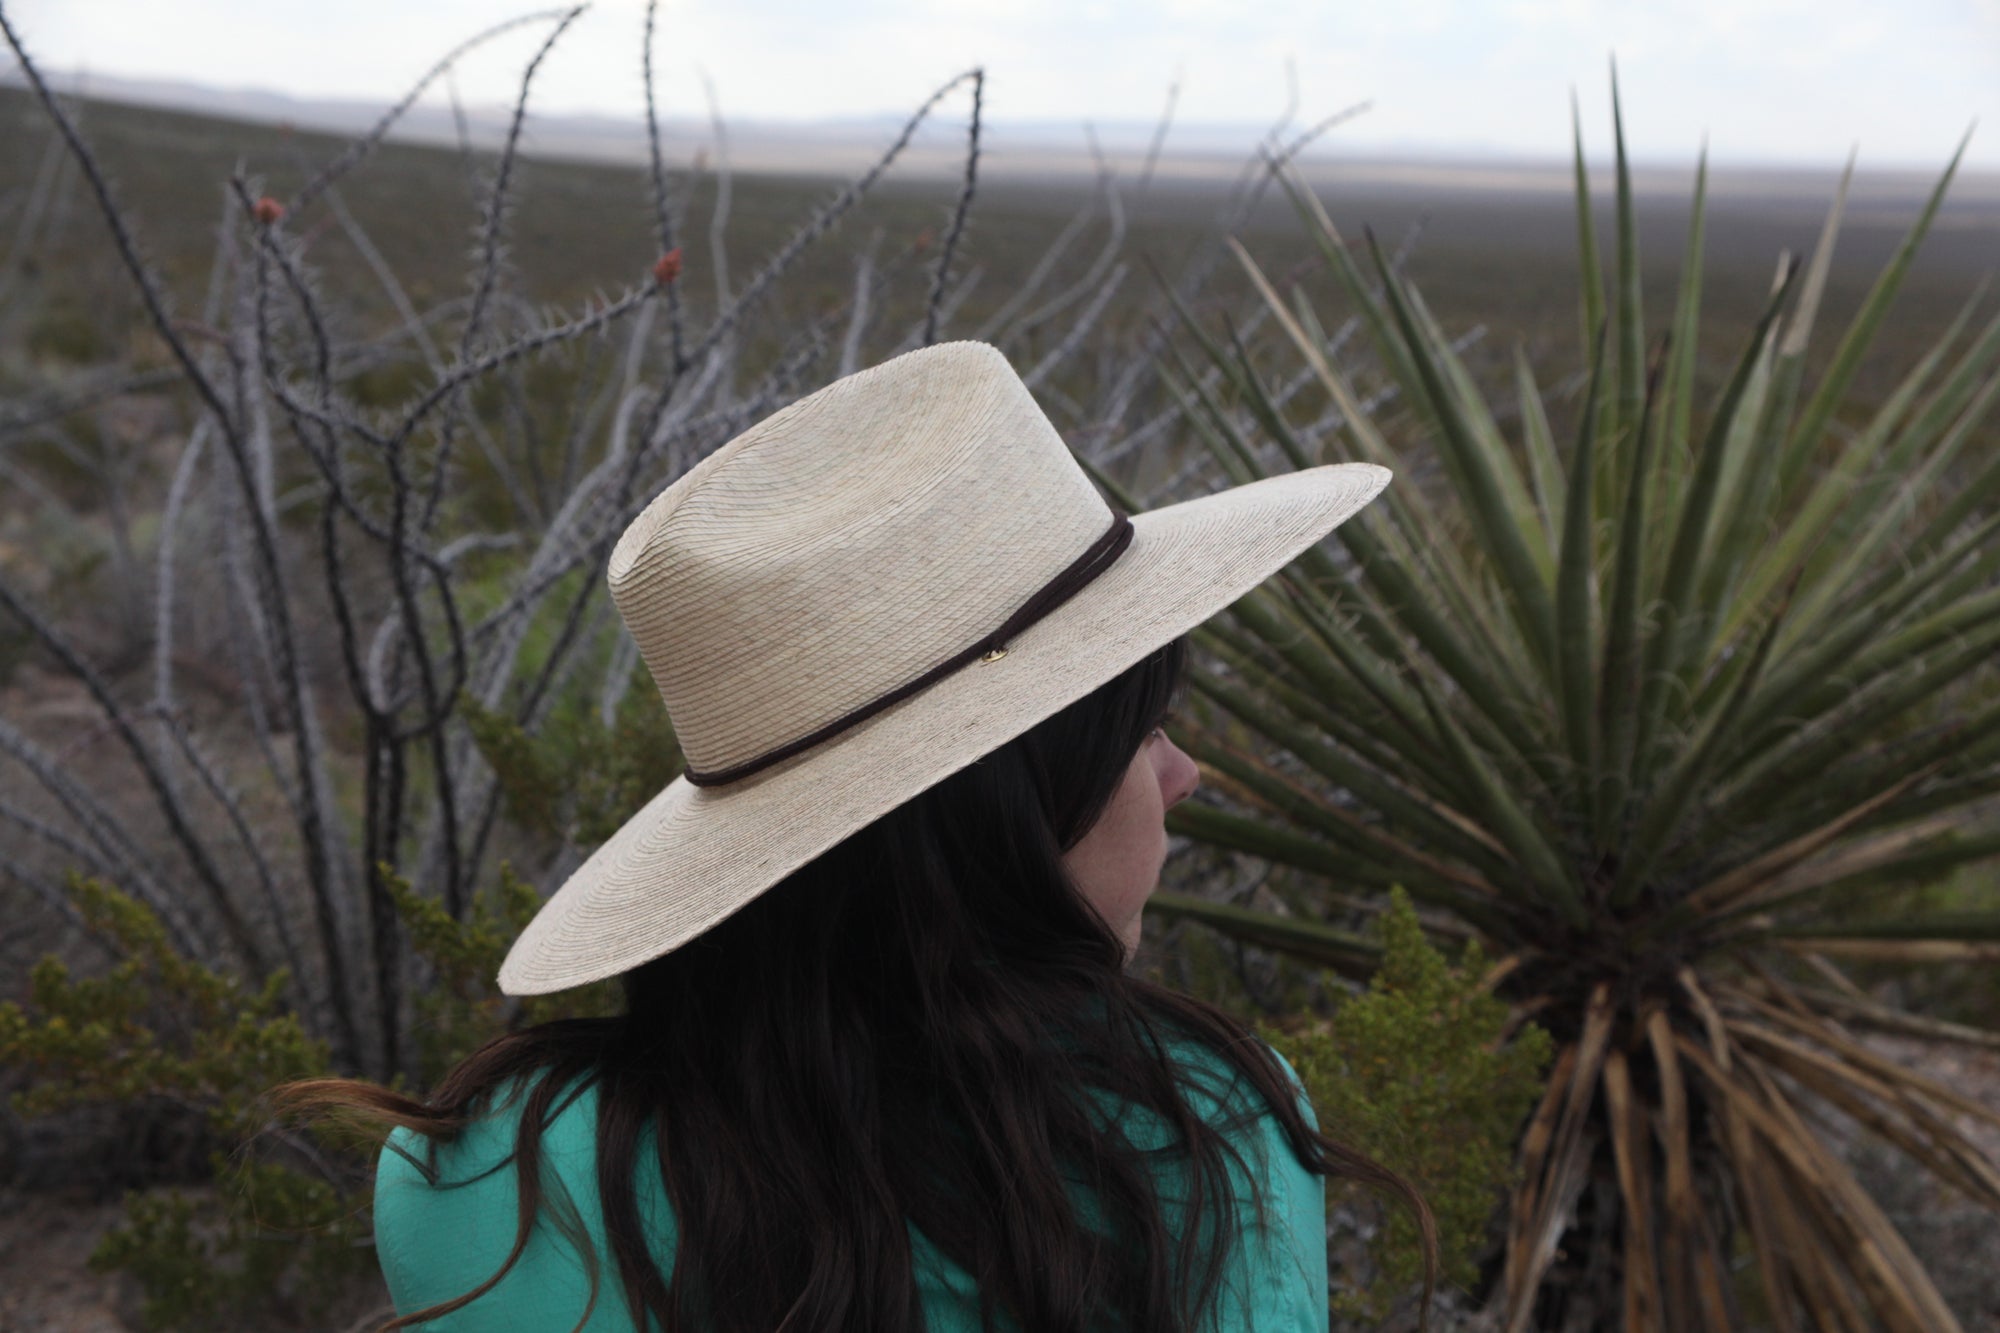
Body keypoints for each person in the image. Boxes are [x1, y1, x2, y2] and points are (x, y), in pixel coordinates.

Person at [285, 342, 1434, 1331]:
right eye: (1139, 733)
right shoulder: (1207, 1126)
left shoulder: (487, 1176)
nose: (1184, 774)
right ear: (1004, 813)